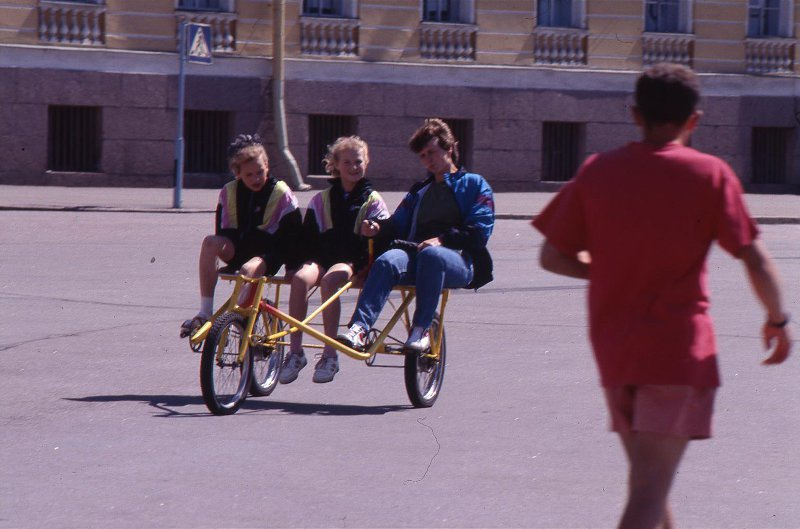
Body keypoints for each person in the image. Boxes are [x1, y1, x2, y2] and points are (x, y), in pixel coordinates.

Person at [532, 63, 793, 529]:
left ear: (635, 114)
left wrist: (608, 272)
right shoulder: (709, 174)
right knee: (650, 489)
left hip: (616, 352)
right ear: (695, 119)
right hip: (676, 353)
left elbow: (552, 255)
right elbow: (753, 257)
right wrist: (779, 319)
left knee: (648, 483)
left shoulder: (599, 171)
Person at [337, 118, 495, 352]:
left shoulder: (474, 184)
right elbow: (397, 223)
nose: (428, 160)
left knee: (432, 255)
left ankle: (421, 330)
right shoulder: (420, 190)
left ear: (449, 148)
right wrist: (379, 228)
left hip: (458, 260)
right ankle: (359, 328)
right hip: (417, 256)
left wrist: (441, 240)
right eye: (422, 156)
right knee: (388, 260)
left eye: (432, 152)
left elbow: (479, 232)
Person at [280, 136, 390, 384]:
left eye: (358, 162)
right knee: (299, 279)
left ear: (367, 163)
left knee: (331, 281)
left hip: (352, 260)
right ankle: (295, 352)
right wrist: (294, 264)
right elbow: (306, 237)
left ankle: (330, 355)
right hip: (321, 257)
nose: (353, 167)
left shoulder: (373, 200)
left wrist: (374, 230)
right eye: (347, 162)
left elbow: (385, 235)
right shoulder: (321, 199)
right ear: (336, 165)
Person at [180, 133, 303, 337]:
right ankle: (205, 312)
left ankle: (237, 318)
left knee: (249, 268)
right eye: (249, 175)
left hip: (268, 251)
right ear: (238, 174)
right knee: (210, 242)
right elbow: (222, 229)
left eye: (260, 172)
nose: (255, 179)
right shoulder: (229, 191)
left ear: (267, 166)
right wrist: (224, 254)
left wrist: (292, 267)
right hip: (238, 245)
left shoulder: (282, 193)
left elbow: (294, 234)